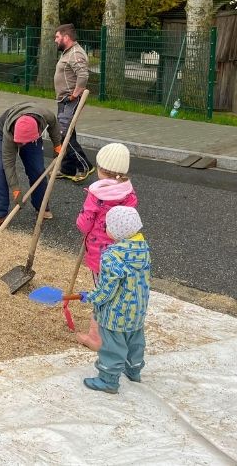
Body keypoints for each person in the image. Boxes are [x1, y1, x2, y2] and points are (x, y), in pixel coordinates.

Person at [78, 205, 150, 394]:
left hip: (116, 314)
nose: (105, 229)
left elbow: (107, 289)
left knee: (112, 346)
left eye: (108, 226)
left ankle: (109, 380)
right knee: (135, 341)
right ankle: (133, 370)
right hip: (138, 310)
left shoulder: (112, 256)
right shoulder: (143, 249)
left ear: (117, 230)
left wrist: (91, 297)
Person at [74, 143, 139, 350]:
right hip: (122, 253)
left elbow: (84, 224)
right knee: (116, 293)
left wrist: (82, 221)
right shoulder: (129, 194)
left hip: (99, 254)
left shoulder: (96, 194)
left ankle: (96, 337)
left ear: (101, 169)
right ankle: (118, 334)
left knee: (102, 294)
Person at [0, 103, 63, 228]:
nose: (21, 145)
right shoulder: (8, 133)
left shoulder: (45, 115)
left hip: (31, 135)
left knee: (37, 170)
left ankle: (41, 206)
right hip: (6, 133)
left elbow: (54, 125)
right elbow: (9, 164)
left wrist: (57, 145)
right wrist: (16, 190)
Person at [53, 24, 93, 181]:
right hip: (63, 100)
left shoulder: (76, 53)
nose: (55, 40)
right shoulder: (67, 52)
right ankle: (68, 169)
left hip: (70, 101)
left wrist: (74, 94)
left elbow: (83, 75)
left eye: (57, 37)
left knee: (64, 135)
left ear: (66, 37)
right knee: (68, 133)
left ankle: (85, 166)